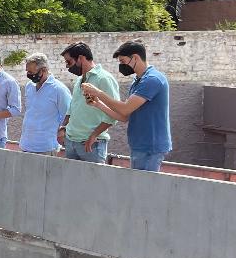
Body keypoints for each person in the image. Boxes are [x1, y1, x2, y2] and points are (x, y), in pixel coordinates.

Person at [81, 41, 172, 172]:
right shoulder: (138, 81)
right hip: (139, 144)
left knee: (145, 189)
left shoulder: (152, 79)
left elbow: (125, 108)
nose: (122, 66)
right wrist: (98, 104)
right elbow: (124, 116)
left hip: (151, 146)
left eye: (123, 61)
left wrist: (98, 93)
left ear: (135, 57)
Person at [55, 42, 119, 164]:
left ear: (81, 58)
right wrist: (63, 128)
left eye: (69, 62)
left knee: (93, 182)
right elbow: (72, 107)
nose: (67, 67)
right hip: (71, 142)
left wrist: (94, 135)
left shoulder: (104, 78)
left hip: (91, 145)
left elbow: (114, 113)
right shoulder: (80, 79)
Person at [18, 53, 70, 154]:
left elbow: (69, 115)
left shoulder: (59, 90)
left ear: (43, 70)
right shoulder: (29, 86)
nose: (28, 75)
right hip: (26, 145)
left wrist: (62, 132)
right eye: (27, 71)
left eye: (31, 72)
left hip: (46, 147)